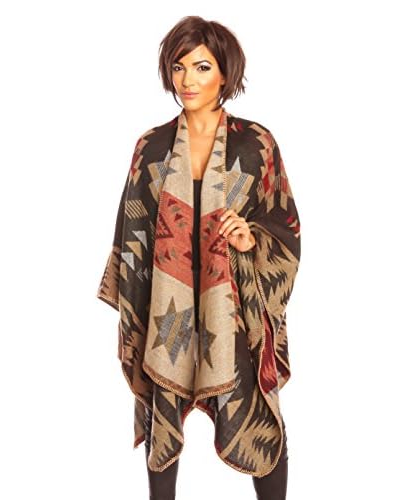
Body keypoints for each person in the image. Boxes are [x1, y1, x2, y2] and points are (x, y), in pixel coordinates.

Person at [97, 15, 301, 500]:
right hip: (165, 306)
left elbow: (284, 225)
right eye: (178, 67)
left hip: (232, 307)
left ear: (225, 74)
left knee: (259, 418)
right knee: (162, 419)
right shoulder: (151, 147)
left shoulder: (255, 145)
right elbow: (132, 231)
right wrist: (136, 303)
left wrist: (250, 240)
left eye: (202, 67)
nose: (187, 80)